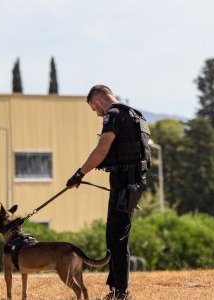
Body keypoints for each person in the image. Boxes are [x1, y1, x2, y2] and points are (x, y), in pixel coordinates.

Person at [66, 85, 151, 300]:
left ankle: (121, 292)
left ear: (99, 102)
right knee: (118, 235)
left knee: (116, 238)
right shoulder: (134, 115)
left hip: (124, 183)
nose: (97, 113)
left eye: (95, 108)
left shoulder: (112, 115)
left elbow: (102, 149)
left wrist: (80, 173)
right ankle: (117, 289)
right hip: (134, 182)